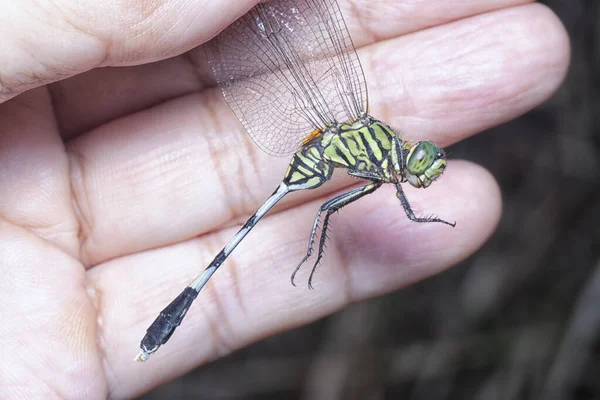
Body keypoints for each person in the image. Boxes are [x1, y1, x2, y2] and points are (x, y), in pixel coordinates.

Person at [0, 0, 569, 398]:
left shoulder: (380, 167)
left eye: (424, 167)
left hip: (319, 149)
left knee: (320, 211)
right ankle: (172, 318)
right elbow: (340, 207)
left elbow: (375, 206)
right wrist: (328, 245)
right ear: (404, 161)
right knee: (310, 213)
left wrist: (408, 215)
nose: (421, 172)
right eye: (422, 165)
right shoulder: (381, 164)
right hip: (308, 159)